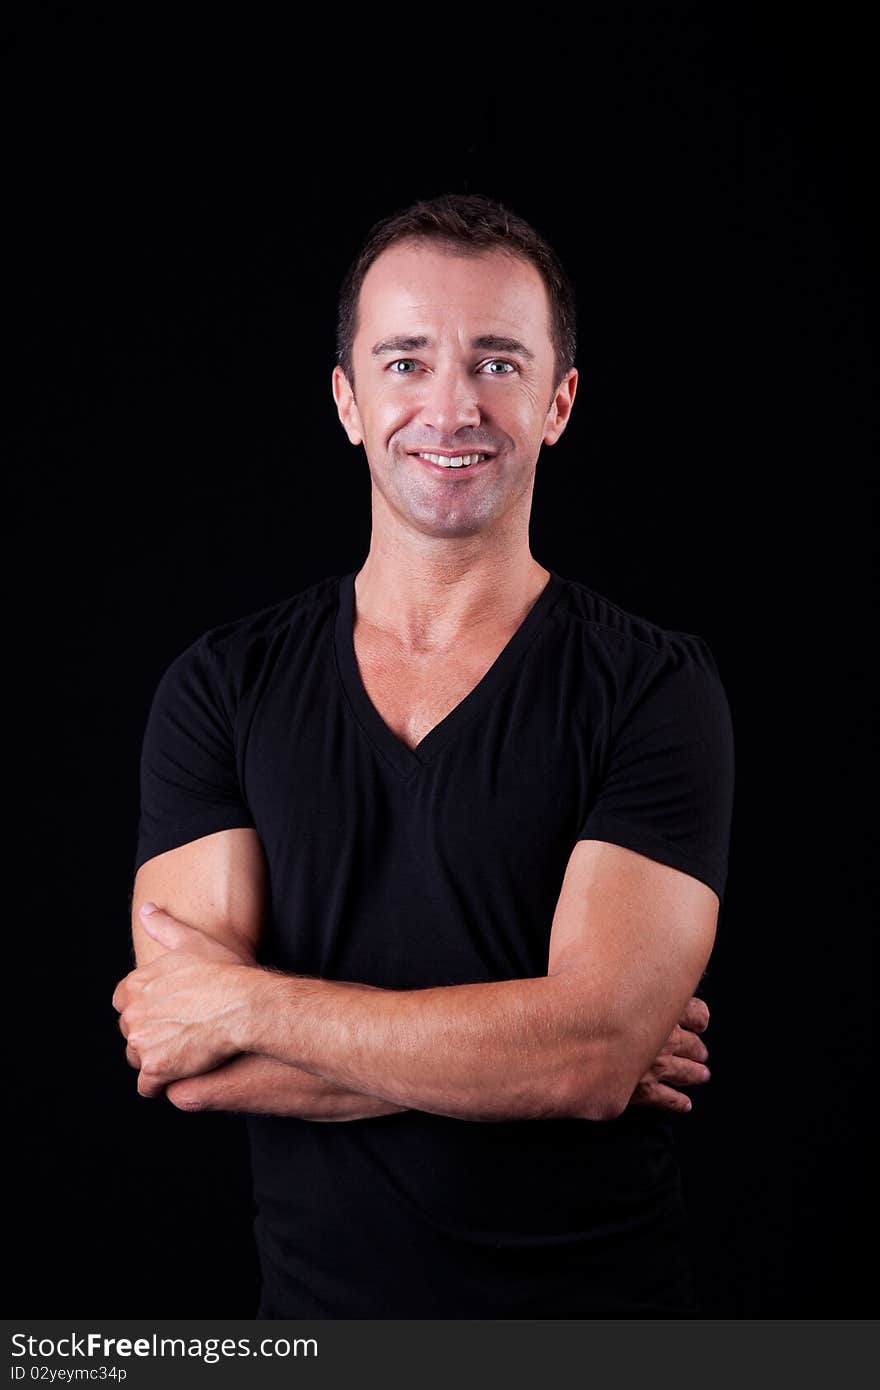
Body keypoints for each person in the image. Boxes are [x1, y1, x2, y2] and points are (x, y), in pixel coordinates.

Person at [112, 192, 734, 1319]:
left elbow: (588, 1057)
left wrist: (249, 1004)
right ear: (348, 400)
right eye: (405, 362)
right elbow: (185, 1053)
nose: (450, 406)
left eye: (497, 363)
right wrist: (535, 1056)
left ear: (559, 401)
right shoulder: (223, 686)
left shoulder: (653, 686)